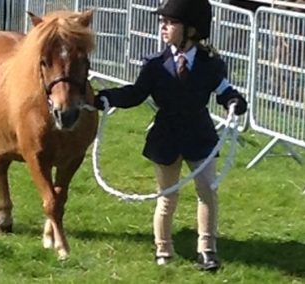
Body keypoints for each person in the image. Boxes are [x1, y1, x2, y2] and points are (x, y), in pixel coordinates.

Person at [93, 0, 247, 271]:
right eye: (162, 22)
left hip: (200, 137)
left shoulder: (211, 64)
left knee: (207, 192)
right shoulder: (154, 65)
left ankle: (207, 249)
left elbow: (223, 90)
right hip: (165, 137)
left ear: (191, 29)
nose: (163, 27)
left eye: (170, 23)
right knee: (167, 197)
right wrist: (105, 97)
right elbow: (136, 94)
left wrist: (234, 101)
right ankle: (163, 248)